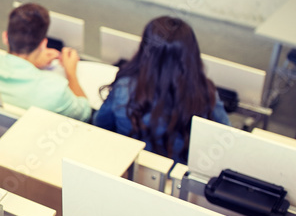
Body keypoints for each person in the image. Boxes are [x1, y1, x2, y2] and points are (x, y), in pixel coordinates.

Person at [94, 16, 230, 162]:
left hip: (129, 166)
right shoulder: (206, 95)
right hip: (177, 174)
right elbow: (224, 138)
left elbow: (100, 124)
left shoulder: (124, 88)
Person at [0, 3, 91, 121]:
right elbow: (84, 113)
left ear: (5, 37)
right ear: (43, 45)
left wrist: (32, 64)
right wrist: (71, 73)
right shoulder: (56, 91)